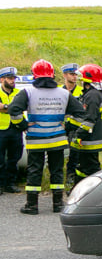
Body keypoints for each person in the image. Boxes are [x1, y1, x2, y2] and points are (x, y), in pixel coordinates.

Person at [7, 59, 86, 214]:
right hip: (57, 139)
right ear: (52, 75)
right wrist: (68, 126)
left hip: (36, 139)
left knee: (34, 171)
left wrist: (22, 125)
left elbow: (13, 110)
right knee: (57, 170)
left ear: (34, 75)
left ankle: (32, 205)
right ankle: (57, 204)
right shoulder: (64, 93)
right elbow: (81, 114)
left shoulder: (28, 92)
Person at [69, 64, 102, 183]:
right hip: (93, 138)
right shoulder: (97, 93)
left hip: (89, 140)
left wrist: (78, 135)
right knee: (84, 168)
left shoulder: (92, 96)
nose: (79, 79)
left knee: (90, 169)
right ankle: (79, 188)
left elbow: (89, 120)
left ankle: (94, 192)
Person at [0, 67, 25, 194]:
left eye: (13, 78)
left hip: (16, 129)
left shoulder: (19, 92)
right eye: (9, 78)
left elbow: (21, 108)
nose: (12, 81)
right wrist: (12, 107)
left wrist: (5, 107)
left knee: (14, 158)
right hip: (1, 130)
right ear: (2, 79)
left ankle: (10, 183)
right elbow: (15, 108)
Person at [60, 63, 83, 186]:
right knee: (57, 154)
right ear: (64, 75)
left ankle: (71, 178)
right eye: (71, 74)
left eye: (76, 74)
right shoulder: (58, 90)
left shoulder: (81, 90)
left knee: (75, 155)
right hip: (60, 127)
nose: (74, 77)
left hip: (75, 127)